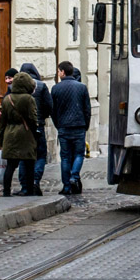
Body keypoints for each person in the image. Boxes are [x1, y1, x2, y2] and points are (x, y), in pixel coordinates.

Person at [51, 60, 90, 195]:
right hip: (79, 125)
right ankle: (74, 176)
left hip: (64, 126)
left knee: (65, 157)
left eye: (58, 71)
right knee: (79, 154)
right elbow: (87, 109)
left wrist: (58, 124)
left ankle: (67, 186)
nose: (58, 74)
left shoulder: (56, 88)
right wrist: (86, 125)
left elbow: (53, 110)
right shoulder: (82, 87)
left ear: (63, 72)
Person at [0, 71, 38, 197]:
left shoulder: (7, 99)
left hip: (10, 133)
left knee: (10, 165)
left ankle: (6, 191)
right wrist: (35, 131)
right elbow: (33, 117)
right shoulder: (28, 99)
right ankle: (29, 190)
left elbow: (2, 122)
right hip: (26, 133)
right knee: (29, 163)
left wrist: (0, 140)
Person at [20, 63, 53, 195]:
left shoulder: (15, 87)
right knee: (40, 155)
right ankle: (35, 181)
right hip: (38, 125)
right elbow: (49, 105)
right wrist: (42, 117)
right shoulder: (41, 86)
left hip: (21, 127)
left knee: (23, 156)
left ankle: (24, 186)